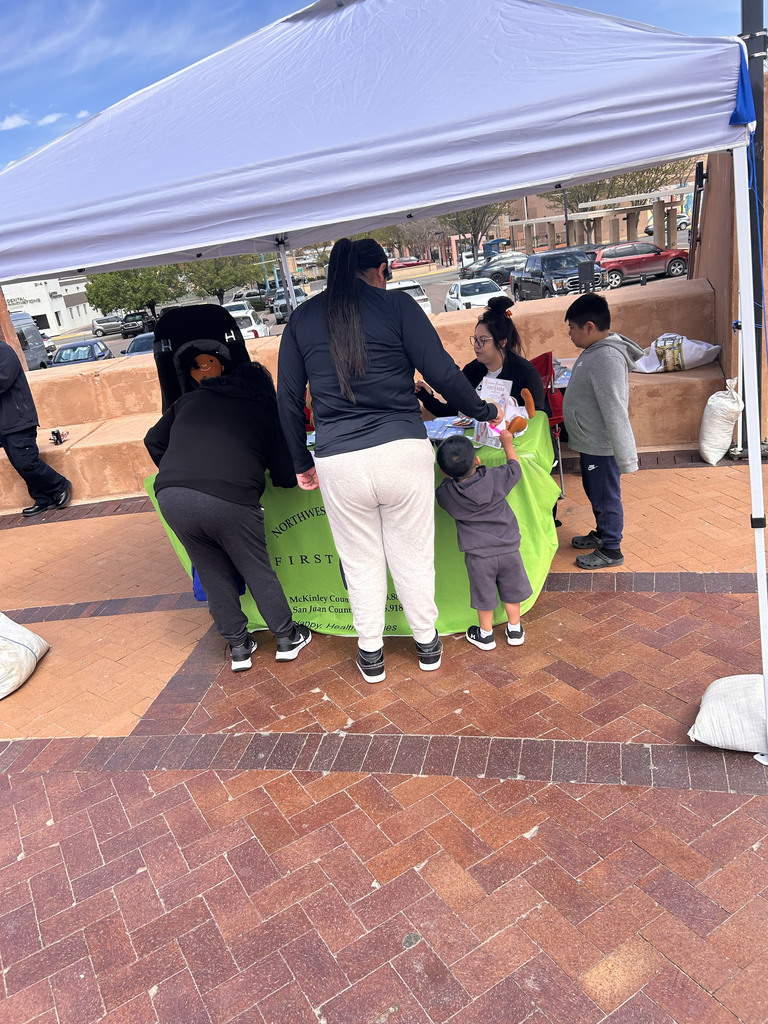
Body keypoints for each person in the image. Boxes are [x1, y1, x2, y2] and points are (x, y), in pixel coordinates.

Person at [277, 237, 503, 684]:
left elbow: (286, 399)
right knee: (412, 554)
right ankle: (427, 644)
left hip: (339, 459)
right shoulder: (397, 307)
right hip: (402, 451)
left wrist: (299, 462)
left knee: (359, 560)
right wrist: (483, 411)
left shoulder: (301, 318)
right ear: (380, 269)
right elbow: (441, 371)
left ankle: (371, 654)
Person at [144, 360, 311, 671]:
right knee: (255, 566)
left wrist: (181, 470)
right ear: (264, 390)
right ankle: (287, 638)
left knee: (210, 570)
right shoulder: (266, 412)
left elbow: (152, 440)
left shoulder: (190, 399)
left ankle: (238, 646)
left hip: (171, 495)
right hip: (230, 498)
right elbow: (287, 477)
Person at [561, 293, 644, 570]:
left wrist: (626, 457)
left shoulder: (606, 358)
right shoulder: (593, 351)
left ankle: (611, 549)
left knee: (606, 495)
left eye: (572, 328)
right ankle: (602, 532)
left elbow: (614, 408)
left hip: (602, 447)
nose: (570, 334)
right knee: (594, 490)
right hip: (590, 442)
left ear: (589, 327)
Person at [436, 429, 530, 649]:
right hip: (509, 548)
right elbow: (515, 469)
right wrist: (507, 444)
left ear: (443, 471)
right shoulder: (496, 477)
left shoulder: (446, 494)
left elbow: (443, 495)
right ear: (477, 460)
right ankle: (515, 629)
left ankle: (486, 635)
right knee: (512, 589)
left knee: (483, 592)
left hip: (478, 555)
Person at [417, 295, 546, 416]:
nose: (476, 346)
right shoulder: (471, 371)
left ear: (502, 342)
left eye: (483, 340)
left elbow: (538, 417)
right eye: (475, 339)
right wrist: (427, 396)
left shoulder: (525, 373)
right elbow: (453, 411)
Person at [0, 335, 71, 517]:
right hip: (4, 423)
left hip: (19, 419)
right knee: (19, 464)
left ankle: (59, 484)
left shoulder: (4, 351)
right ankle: (42, 498)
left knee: (26, 462)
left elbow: (3, 381)